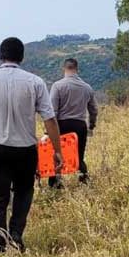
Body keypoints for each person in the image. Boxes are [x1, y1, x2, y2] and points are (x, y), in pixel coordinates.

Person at [0, 37, 64, 253]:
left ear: (1, 55)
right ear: (21, 57)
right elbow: (50, 119)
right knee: (23, 193)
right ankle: (16, 237)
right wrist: (57, 150)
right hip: (24, 151)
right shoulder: (35, 82)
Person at [49, 57, 98, 186]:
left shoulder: (57, 86)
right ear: (77, 69)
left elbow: (52, 112)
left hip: (61, 125)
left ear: (64, 68)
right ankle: (83, 182)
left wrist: (49, 130)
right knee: (79, 155)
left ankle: (55, 184)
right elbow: (93, 110)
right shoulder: (87, 87)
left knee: (57, 154)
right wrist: (91, 125)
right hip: (80, 125)